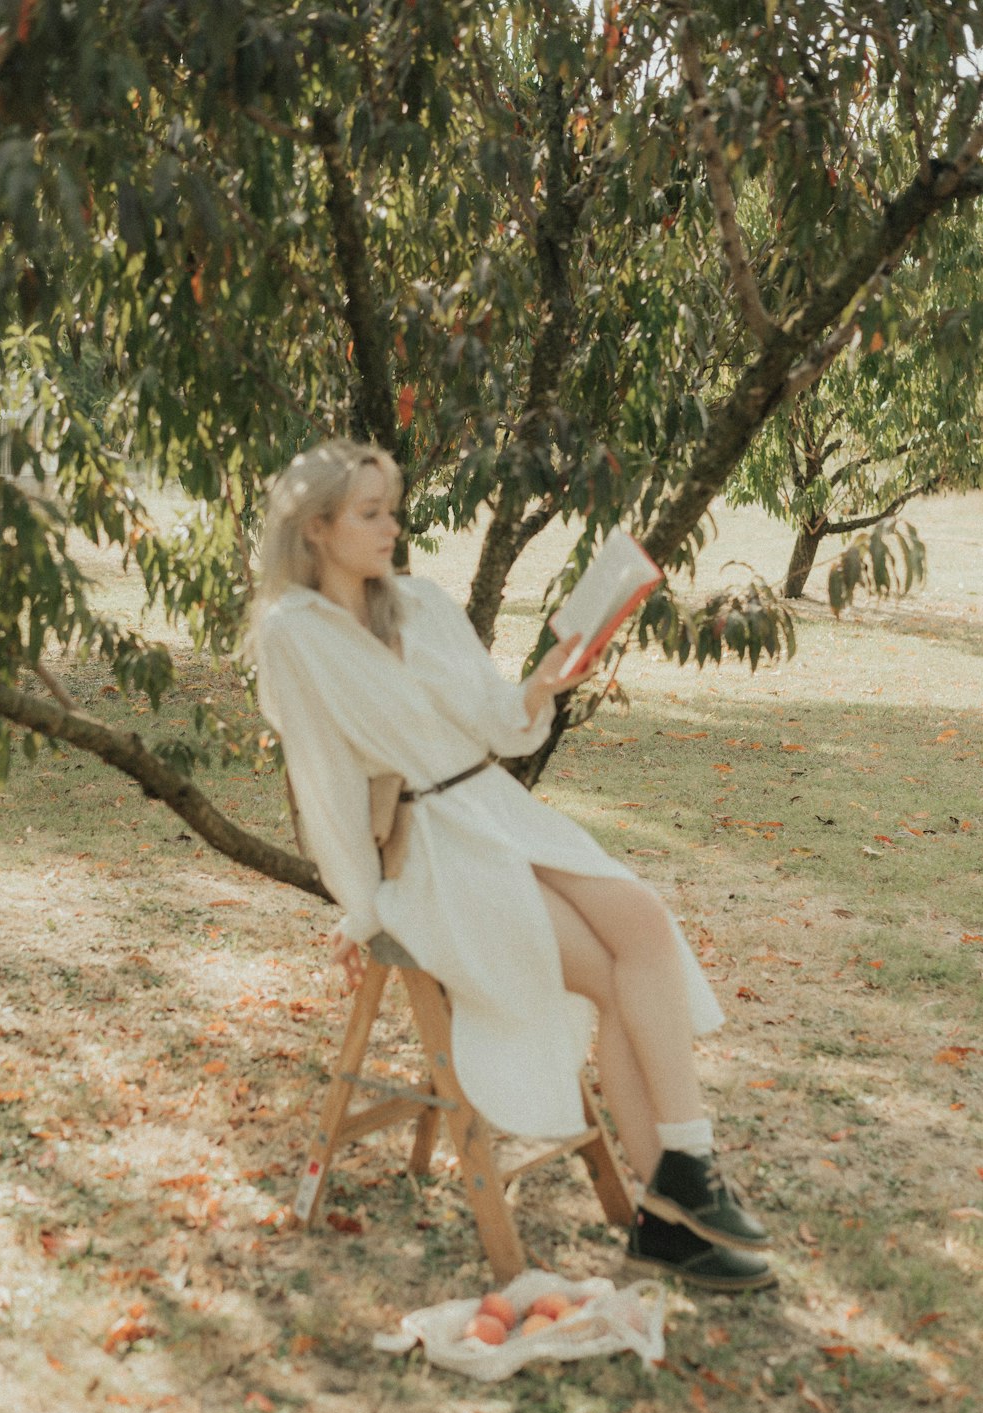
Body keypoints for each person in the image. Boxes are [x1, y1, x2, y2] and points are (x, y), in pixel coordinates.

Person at [248, 439, 775, 1292]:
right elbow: (326, 786)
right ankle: (669, 1215)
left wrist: (542, 686)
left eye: (392, 508)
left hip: (495, 807)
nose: (392, 526)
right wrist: (363, 908)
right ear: (316, 529)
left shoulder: (415, 602)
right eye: (371, 513)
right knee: (606, 974)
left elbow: (498, 721)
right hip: (433, 854)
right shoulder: (293, 637)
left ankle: (688, 1164)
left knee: (641, 918)